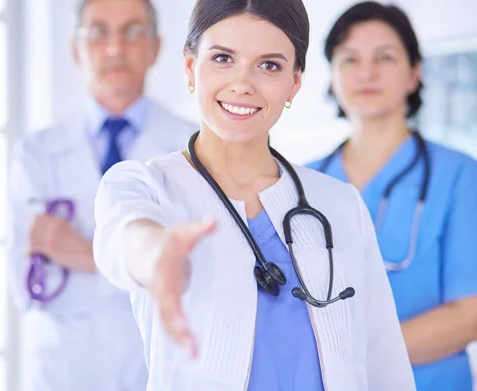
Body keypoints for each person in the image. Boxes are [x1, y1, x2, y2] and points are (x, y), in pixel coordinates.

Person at [92, 0, 417, 390]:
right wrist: (158, 253)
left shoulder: (340, 205)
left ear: (294, 82)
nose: (242, 83)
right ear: (190, 66)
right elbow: (125, 236)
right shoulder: (146, 185)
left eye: (269, 65)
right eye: (223, 58)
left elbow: (385, 363)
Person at [7, 0, 196, 390]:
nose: (115, 48)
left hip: (158, 369)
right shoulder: (36, 153)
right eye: (98, 33)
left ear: (156, 48)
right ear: (75, 50)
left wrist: (81, 252)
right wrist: (143, 265)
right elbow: (23, 281)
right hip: (63, 370)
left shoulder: (192, 149)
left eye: (133, 32)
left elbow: (198, 275)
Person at [306, 2, 477, 390]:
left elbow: (470, 312)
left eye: (385, 57)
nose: (366, 72)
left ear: (414, 74)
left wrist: (352, 355)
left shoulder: (459, 175)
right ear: (331, 76)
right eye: (349, 60)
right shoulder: (302, 182)